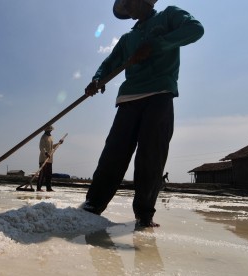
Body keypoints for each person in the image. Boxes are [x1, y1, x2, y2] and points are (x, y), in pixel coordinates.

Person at [81, 0, 204, 228]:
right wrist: (97, 78)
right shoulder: (128, 39)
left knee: (151, 156)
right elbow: (110, 62)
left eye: (129, 3)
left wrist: (158, 44)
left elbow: (196, 30)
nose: (127, 9)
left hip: (160, 93)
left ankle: (144, 214)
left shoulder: (168, 16)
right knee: (113, 154)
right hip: (129, 98)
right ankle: (92, 205)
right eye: (124, 7)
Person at [37, 125, 62, 192]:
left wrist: (59, 143)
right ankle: (38, 188)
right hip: (43, 159)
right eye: (49, 130)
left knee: (49, 174)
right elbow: (42, 148)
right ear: (46, 130)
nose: (50, 131)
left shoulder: (51, 137)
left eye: (51, 130)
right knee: (42, 174)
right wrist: (46, 153)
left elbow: (52, 147)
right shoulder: (43, 137)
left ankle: (49, 188)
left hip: (50, 159)